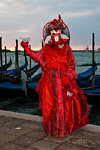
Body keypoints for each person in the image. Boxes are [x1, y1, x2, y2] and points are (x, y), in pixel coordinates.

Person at [21, 14, 90, 138]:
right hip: (49, 80)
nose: (56, 35)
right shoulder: (46, 48)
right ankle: (54, 129)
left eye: (58, 33)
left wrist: (68, 76)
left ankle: (62, 129)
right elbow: (37, 58)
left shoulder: (67, 48)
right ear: (50, 34)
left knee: (65, 104)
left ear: (61, 33)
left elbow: (71, 64)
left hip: (63, 79)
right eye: (53, 33)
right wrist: (26, 48)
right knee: (50, 104)